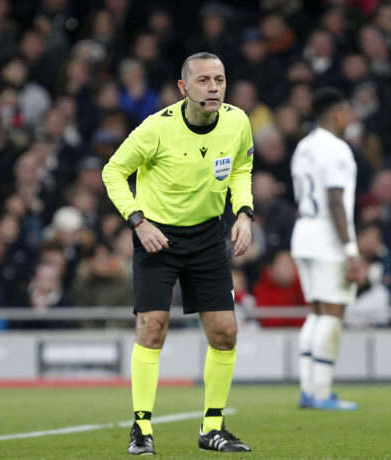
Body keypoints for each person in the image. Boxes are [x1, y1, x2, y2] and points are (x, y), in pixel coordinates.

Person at [101, 52, 253, 455]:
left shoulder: (238, 121)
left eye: (219, 79)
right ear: (184, 88)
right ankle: (141, 429)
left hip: (207, 237)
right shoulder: (156, 129)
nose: (214, 88)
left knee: (225, 333)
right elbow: (113, 171)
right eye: (203, 81)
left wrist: (243, 212)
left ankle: (213, 428)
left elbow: (241, 168)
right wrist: (138, 221)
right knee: (153, 329)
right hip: (158, 238)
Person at [290, 87, 363, 411]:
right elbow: (336, 200)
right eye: (347, 113)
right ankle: (321, 392)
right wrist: (350, 249)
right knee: (332, 313)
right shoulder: (337, 149)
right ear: (336, 114)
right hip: (327, 237)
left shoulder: (303, 147)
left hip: (303, 232)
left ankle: (309, 390)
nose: (349, 119)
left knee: (316, 312)